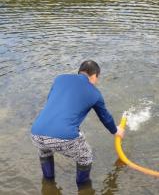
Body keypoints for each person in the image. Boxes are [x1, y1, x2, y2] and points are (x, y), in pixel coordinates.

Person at [31, 60, 124, 188]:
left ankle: (48, 183)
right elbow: (105, 117)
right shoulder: (95, 93)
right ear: (94, 75)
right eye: (97, 78)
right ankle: (83, 188)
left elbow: (51, 102)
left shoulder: (59, 79)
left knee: (45, 152)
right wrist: (115, 130)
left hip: (36, 132)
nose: (96, 82)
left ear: (80, 71)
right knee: (85, 156)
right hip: (63, 137)